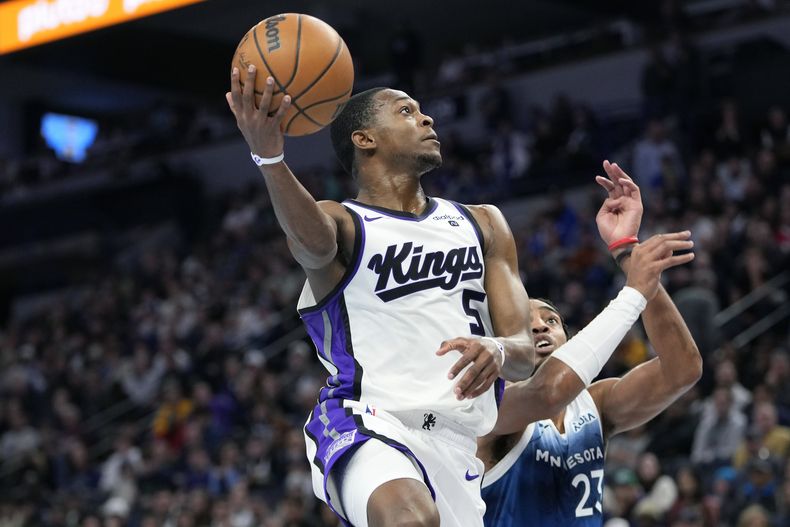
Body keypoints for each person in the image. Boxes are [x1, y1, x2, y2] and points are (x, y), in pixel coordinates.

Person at [226, 67, 539, 526]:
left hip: (456, 443)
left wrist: (496, 347)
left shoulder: (483, 223)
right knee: (410, 520)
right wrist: (270, 158)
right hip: (365, 419)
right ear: (364, 139)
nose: (428, 119)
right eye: (407, 111)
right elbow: (312, 244)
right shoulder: (343, 223)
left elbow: (524, 353)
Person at [478, 164, 703, 526]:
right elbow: (548, 390)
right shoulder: (488, 405)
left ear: (567, 337)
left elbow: (683, 370)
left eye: (551, 320)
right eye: (525, 322)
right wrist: (633, 291)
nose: (539, 327)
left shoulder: (595, 405)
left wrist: (628, 255)